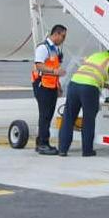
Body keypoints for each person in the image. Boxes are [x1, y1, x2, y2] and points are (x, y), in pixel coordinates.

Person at [59, 49, 109, 157]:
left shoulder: (96, 55)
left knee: (68, 118)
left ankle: (62, 149)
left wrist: (108, 86)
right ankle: (87, 150)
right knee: (88, 119)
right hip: (89, 89)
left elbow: (91, 74)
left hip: (73, 85)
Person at [31, 25, 67, 155]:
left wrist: (58, 86)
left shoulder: (54, 49)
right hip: (42, 85)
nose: (63, 39)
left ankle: (41, 142)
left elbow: (55, 67)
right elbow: (39, 65)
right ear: (56, 34)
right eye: (63, 36)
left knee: (48, 114)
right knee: (45, 115)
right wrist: (54, 71)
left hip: (51, 86)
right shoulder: (43, 48)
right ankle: (43, 144)